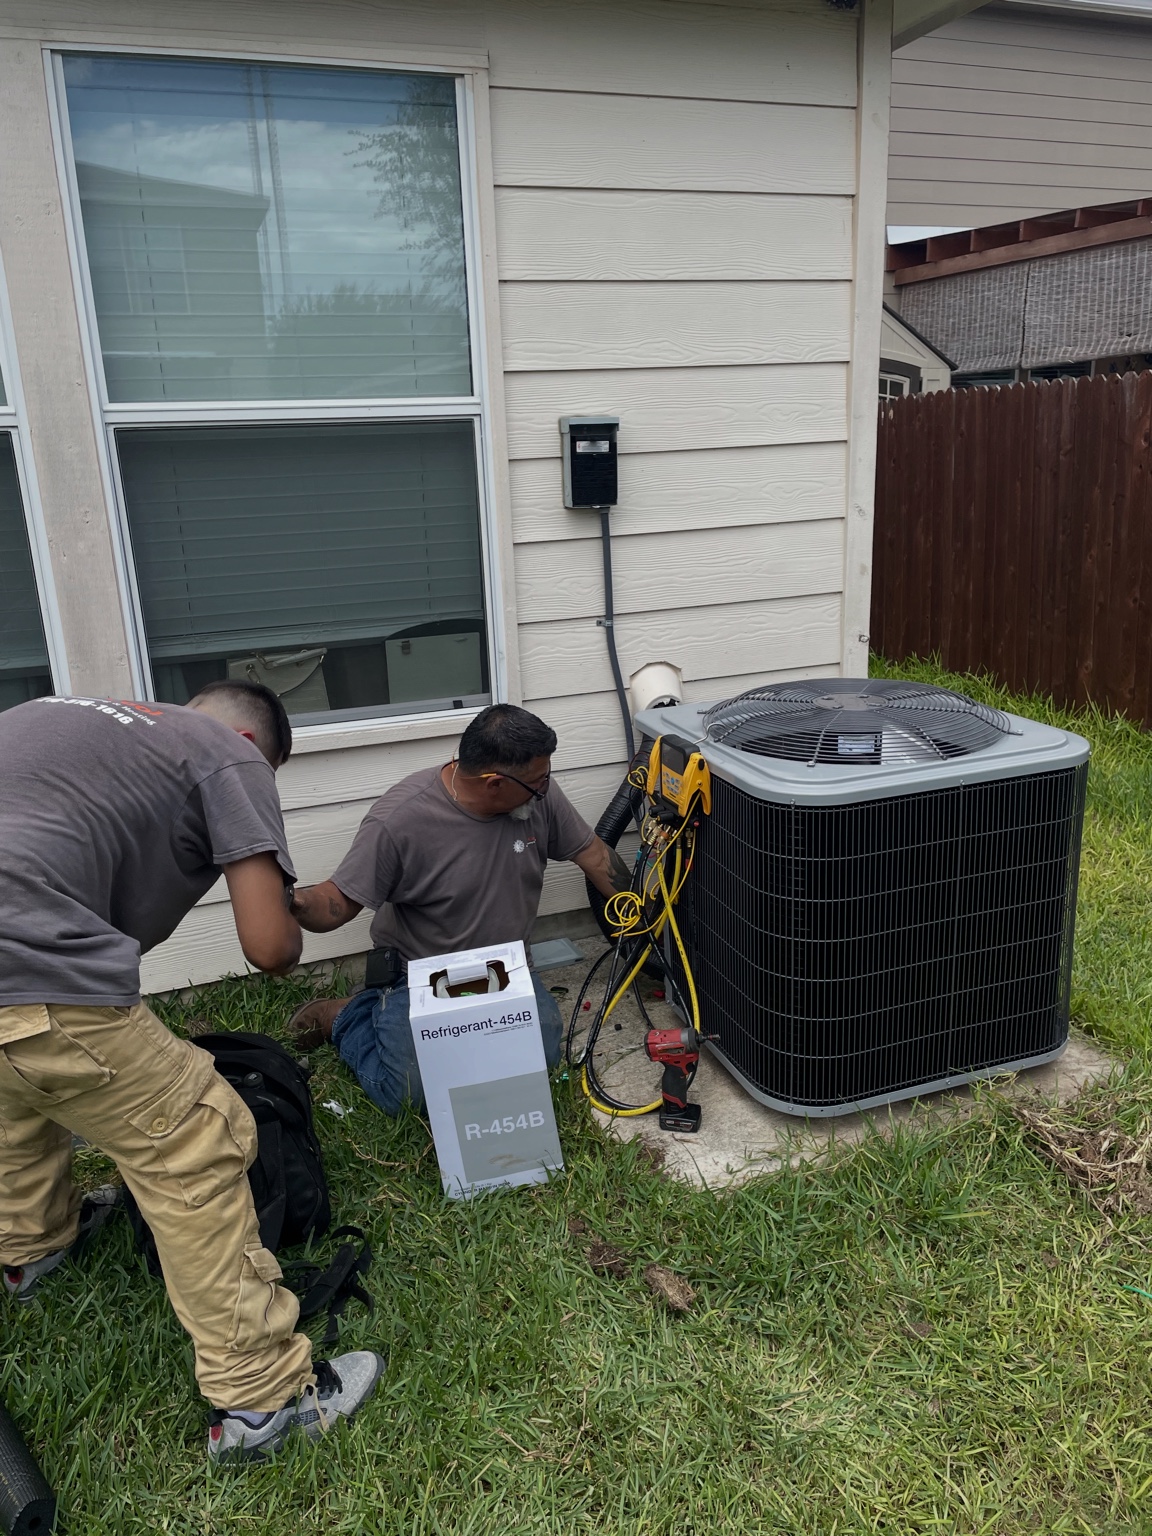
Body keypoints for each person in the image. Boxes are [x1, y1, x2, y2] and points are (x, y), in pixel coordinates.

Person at [0, 682, 383, 1463]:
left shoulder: (60, 713)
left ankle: (32, 1246)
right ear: (255, 747)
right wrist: (281, 895)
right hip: (27, 962)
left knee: (19, 1084)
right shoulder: (229, 759)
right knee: (196, 1136)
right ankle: (264, 1402)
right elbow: (269, 949)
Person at [286, 703, 629, 1111]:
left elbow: (592, 853)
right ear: (494, 783)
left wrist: (639, 913)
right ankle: (345, 1016)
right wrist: (294, 900)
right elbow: (337, 904)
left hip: (505, 971)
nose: (545, 789)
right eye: (537, 783)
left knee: (539, 1066)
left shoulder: (539, 795)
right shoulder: (400, 821)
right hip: (420, 977)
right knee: (410, 1096)